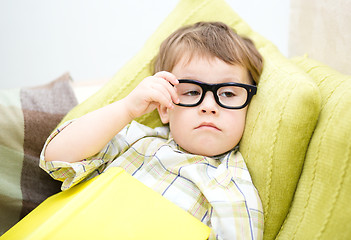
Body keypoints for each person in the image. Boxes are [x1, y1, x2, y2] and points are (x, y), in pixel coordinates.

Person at [40, 22, 264, 239]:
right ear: (164, 108)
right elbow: (56, 158)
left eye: (228, 94)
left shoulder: (234, 188)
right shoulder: (135, 139)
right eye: (191, 92)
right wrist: (126, 108)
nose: (208, 106)